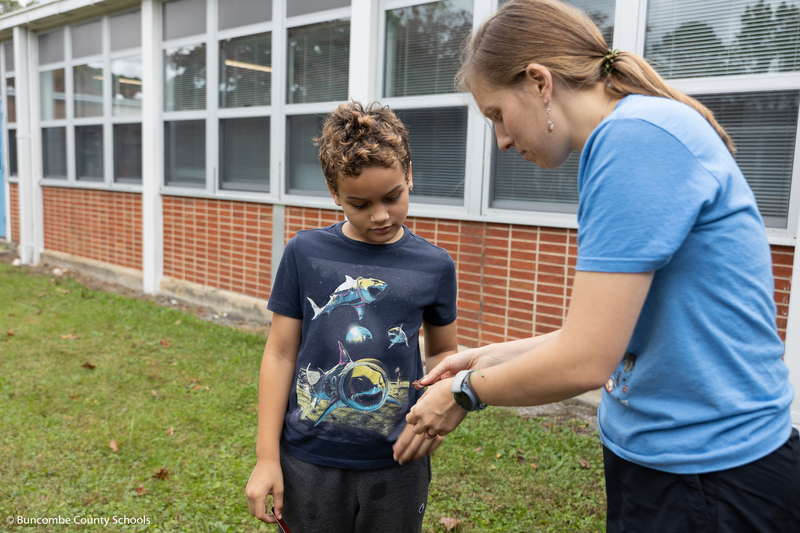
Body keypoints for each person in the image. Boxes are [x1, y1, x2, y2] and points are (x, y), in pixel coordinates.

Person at [392, 0, 800, 531]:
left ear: (540, 82)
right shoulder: (635, 133)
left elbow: (586, 361)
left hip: (713, 474)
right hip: (673, 464)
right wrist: (482, 358)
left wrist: (466, 392)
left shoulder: (633, 140)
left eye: (496, 114)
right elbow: (612, 337)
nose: (502, 139)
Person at [245, 101, 459, 532]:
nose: (380, 215)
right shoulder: (304, 253)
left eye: (393, 197)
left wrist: (437, 413)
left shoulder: (435, 266)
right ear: (333, 193)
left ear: (410, 175)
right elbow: (281, 353)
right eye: (359, 203)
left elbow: (443, 355)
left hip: (397, 462)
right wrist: (267, 457)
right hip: (307, 459)